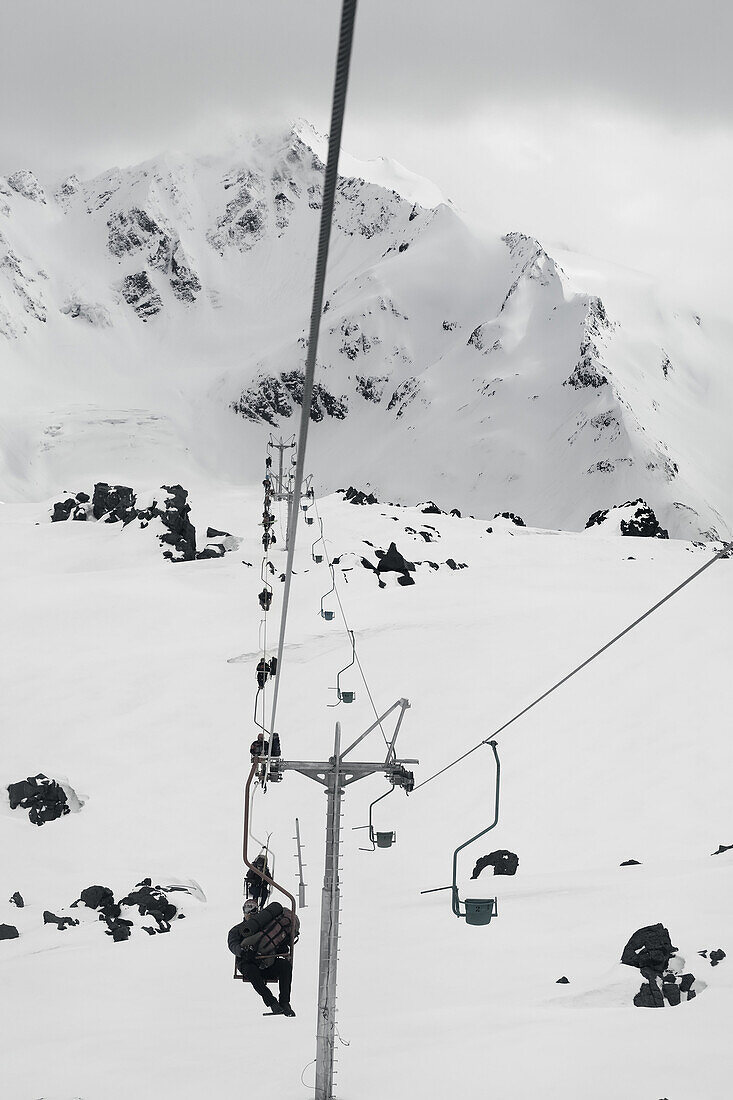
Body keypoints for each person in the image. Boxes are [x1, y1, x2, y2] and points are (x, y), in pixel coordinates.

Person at [228, 901, 297, 1016]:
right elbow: (232, 944)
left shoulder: (267, 927)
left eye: (253, 910)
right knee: (251, 970)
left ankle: (285, 1003)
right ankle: (271, 1002)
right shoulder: (237, 930)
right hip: (249, 964)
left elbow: (277, 942)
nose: (249, 914)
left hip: (268, 963)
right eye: (247, 910)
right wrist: (243, 952)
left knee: (285, 966)